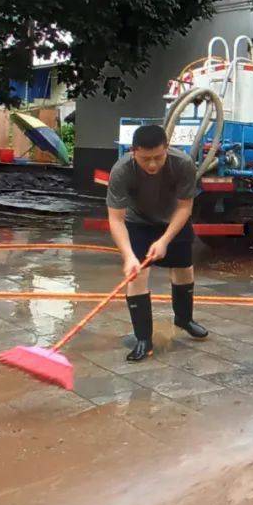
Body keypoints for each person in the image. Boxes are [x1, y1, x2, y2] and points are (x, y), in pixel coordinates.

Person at [106, 124, 208, 362]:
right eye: (145, 159)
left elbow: (185, 207)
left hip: (173, 219)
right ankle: (143, 339)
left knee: (184, 268)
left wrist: (164, 240)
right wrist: (129, 256)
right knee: (138, 275)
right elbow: (115, 218)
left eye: (158, 157)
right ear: (133, 151)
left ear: (167, 148)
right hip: (138, 221)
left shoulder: (182, 164)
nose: (152, 164)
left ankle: (184, 319)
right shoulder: (122, 171)